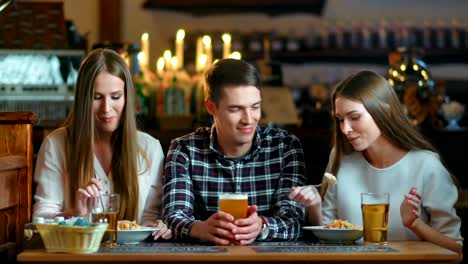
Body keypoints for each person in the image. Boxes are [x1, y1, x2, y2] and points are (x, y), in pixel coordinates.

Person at [289, 70, 462, 253]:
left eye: (355, 117)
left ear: (384, 112)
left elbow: (456, 247)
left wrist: (415, 224)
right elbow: (329, 236)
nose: (345, 129)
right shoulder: (341, 157)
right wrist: (315, 205)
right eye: (340, 119)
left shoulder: (426, 165)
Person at [162, 58, 306, 245]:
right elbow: (173, 215)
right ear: (211, 107)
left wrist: (262, 226)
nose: (248, 119)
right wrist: (200, 228)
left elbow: (295, 219)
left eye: (255, 107)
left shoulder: (285, 146)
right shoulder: (185, 150)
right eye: (236, 109)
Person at [33, 48, 171, 240]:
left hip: (133, 257)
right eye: (96, 98)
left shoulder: (151, 148)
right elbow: (40, 219)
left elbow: (149, 216)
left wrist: (157, 225)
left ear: (127, 97)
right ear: (83, 99)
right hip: (76, 255)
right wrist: (75, 213)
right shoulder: (56, 144)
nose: (106, 109)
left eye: (115, 97)